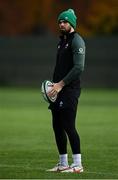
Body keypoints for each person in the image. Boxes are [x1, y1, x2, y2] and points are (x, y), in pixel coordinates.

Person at [47, 9, 85, 173]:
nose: (61, 24)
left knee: (69, 125)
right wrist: (53, 86)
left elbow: (79, 67)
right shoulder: (62, 41)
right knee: (57, 125)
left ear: (72, 24)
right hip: (57, 89)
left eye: (65, 21)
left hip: (69, 90)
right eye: (60, 22)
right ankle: (63, 163)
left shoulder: (77, 41)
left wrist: (61, 84)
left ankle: (77, 165)